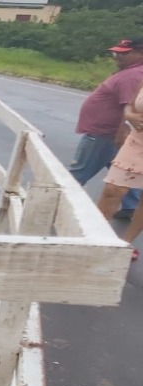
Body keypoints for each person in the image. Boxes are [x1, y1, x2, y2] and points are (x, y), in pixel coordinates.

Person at [71, 37, 143, 218]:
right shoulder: (130, 72)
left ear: (140, 53)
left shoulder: (133, 76)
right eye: (115, 53)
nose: (117, 56)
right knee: (123, 169)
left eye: (124, 54)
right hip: (109, 133)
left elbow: (129, 108)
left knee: (79, 169)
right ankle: (131, 205)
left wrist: (121, 134)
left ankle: (53, 195)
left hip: (105, 134)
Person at [97, 79, 143, 260]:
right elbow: (130, 106)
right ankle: (97, 238)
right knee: (112, 190)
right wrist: (129, 116)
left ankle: (126, 243)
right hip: (136, 141)